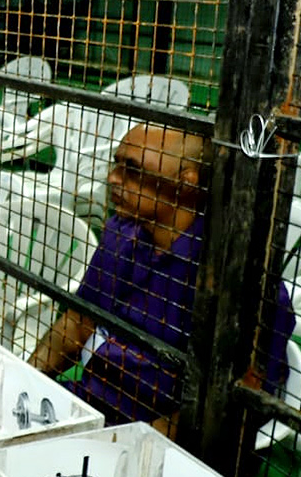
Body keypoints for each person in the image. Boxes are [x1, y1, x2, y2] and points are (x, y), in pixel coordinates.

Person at [30, 123, 294, 429]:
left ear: (186, 183)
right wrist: (23, 381)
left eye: (132, 169)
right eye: (116, 163)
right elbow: (77, 324)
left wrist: (136, 447)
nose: (113, 178)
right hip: (93, 401)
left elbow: (237, 403)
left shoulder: (235, 280)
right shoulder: (120, 231)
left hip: (167, 436)